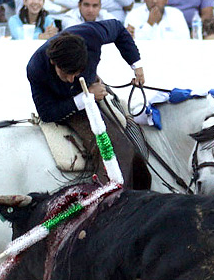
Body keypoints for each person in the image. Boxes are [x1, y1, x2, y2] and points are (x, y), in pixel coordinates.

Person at [26, 21, 145, 185]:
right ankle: (108, 200)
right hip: (66, 105)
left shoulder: (91, 34)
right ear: (54, 62)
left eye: (75, 73)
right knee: (113, 146)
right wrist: (85, 98)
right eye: (65, 73)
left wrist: (136, 65)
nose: (70, 79)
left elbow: (118, 28)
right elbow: (47, 113)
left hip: (93, 86)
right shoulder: (36, 67)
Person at [124, 0, 190, 39]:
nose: (154, 1)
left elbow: (185, 41)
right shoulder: (133, 16)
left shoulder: (176, 14)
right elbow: (130, 45)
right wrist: (149, 24)